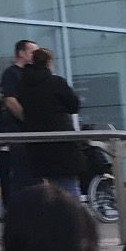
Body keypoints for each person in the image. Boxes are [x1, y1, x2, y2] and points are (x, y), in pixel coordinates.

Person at [17, 47, 83, 196]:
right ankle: (73, 217)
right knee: (68, 187)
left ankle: (52, 217)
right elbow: (74, 105)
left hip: (37, 141)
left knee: (47, 189)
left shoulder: (24, 85)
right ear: (49, 62)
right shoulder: (56, 82)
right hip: (61, 139)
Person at [0, 38, 38, 198]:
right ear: (21, 53)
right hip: (18, 133)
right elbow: (10, 100)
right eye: (32, 52)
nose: (35, 56)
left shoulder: (31, 74)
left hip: (29, 134)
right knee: (16, 175)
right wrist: (29, 120)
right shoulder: (12, 74)